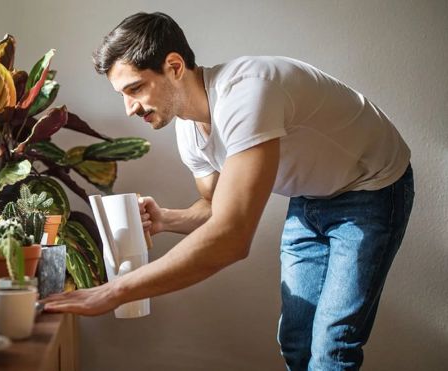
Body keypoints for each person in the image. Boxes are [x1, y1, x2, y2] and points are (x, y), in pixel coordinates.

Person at [41, 12, 414, 370]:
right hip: (311, 197)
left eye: (135, 88)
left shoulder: (247, 93)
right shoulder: (188, 129)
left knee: (333, 347)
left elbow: (232, 237)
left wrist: (113, 291)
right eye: (122, 94)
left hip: (373, 186)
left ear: (174, 67)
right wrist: (166, 219)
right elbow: (214, 207)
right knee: (297, 342)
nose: (129, 108)